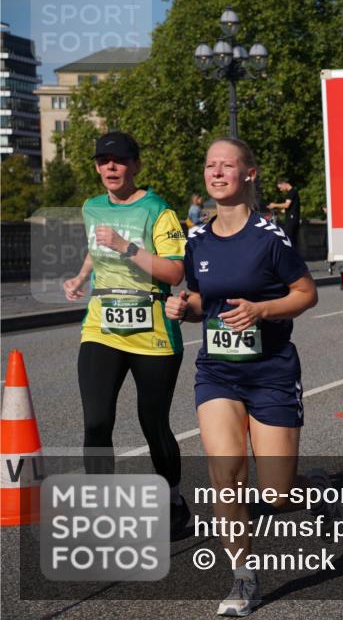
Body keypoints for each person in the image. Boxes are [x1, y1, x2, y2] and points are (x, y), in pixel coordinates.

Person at [166, 138, 336, 615]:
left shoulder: (270, 237)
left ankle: (315, 489)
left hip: (271, 372)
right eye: (210, 166)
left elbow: (306, 294)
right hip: (217, 371)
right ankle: (243, 578)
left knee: (277, 494)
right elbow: (203, 300)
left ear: (249, 174)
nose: (217, 173)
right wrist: (184, 307)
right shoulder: (197, 239)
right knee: (227, 475)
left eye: (227, 165)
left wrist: (261, 310)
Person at [62, 131, 190, 540]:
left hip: (152, 330)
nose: (110, 167)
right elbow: (94, 247)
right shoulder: (92, 207)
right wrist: (80, 276)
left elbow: (175, 272)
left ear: (135, 165)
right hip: (101, 327)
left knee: (152, 422)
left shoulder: (159, 211)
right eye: (103, 161)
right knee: (97, 422)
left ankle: (173, 502)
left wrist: (125, 246)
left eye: (118, 160)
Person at [267, 177, 301, 250]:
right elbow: (287, 209)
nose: (281, 190)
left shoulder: (291, 192)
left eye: (280, 187)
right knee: (292, 240)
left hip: (292, 220)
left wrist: (274, 205)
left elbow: (286, 205)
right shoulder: (293, 192)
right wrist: (277, 211)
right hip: (293, 219)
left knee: (288, 239)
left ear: (283, 183)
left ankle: (290, 254)